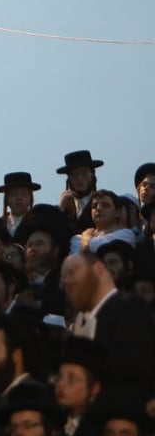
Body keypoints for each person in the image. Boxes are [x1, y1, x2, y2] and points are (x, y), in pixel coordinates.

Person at [60, 251, 154, 399]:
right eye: (63, 277)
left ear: (98, 269)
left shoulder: (129, 309)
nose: (65, 281)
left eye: (71, 272)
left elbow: (136, 369)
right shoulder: (80, 320)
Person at [56, 151, 103, 233]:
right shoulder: (62, 208)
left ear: (93, 175)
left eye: (84, 173)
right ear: (68, 180)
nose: (79, 178)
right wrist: (61, 210)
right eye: (74, 175)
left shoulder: (103, 203)